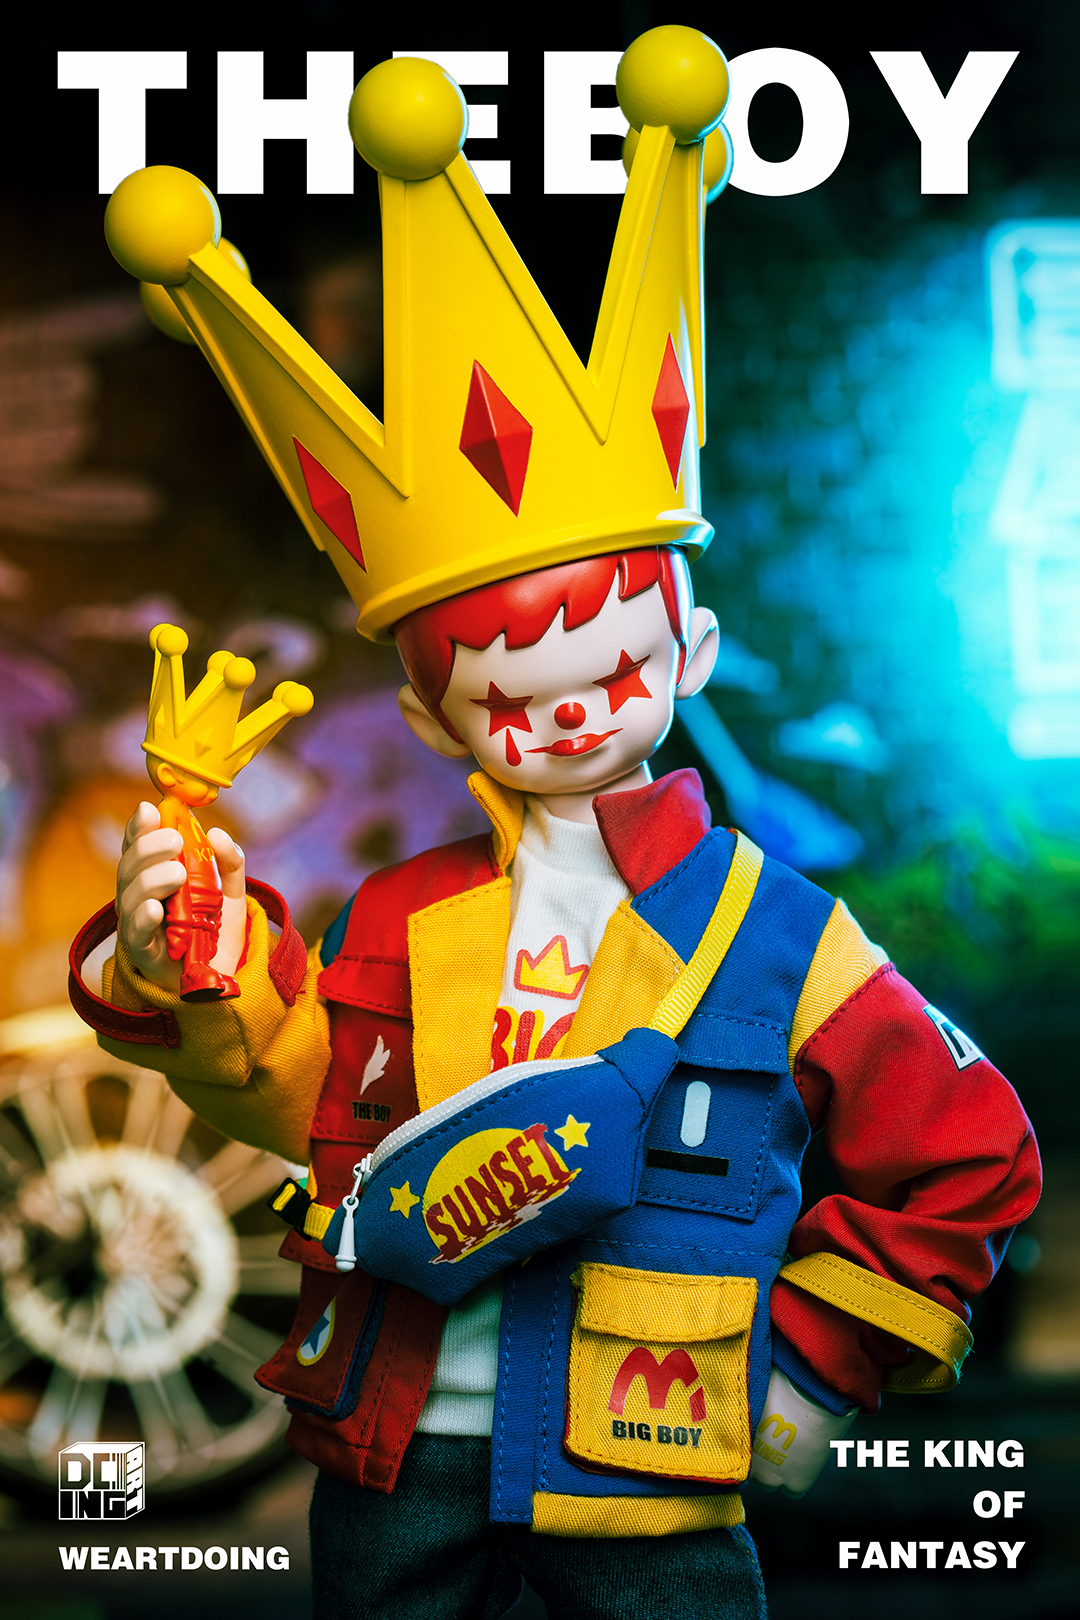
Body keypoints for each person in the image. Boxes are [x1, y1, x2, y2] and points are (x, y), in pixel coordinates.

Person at [70, 28, 1042, 1620]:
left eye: (615, 673)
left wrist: (809, 1371)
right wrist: (184, 948)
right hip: (392, 1450)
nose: (573, 718)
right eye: (512, 700)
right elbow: (298, 1100)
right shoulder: (404, 918)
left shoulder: (781, 935)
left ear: (692, 655)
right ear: (431, 721)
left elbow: (969, 1154)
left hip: (647, 1470)